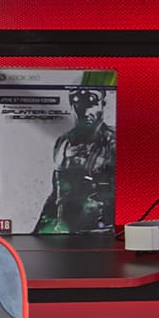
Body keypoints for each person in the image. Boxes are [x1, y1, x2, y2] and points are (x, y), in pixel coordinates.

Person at [35, 86, 116, 235]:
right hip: (67, 231)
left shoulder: (114, 142)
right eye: (78, 103)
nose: (85, 111)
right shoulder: (63, 142)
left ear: (103, 104)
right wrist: (38, 232)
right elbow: (56, 193)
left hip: (100, 232)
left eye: (92, 102)